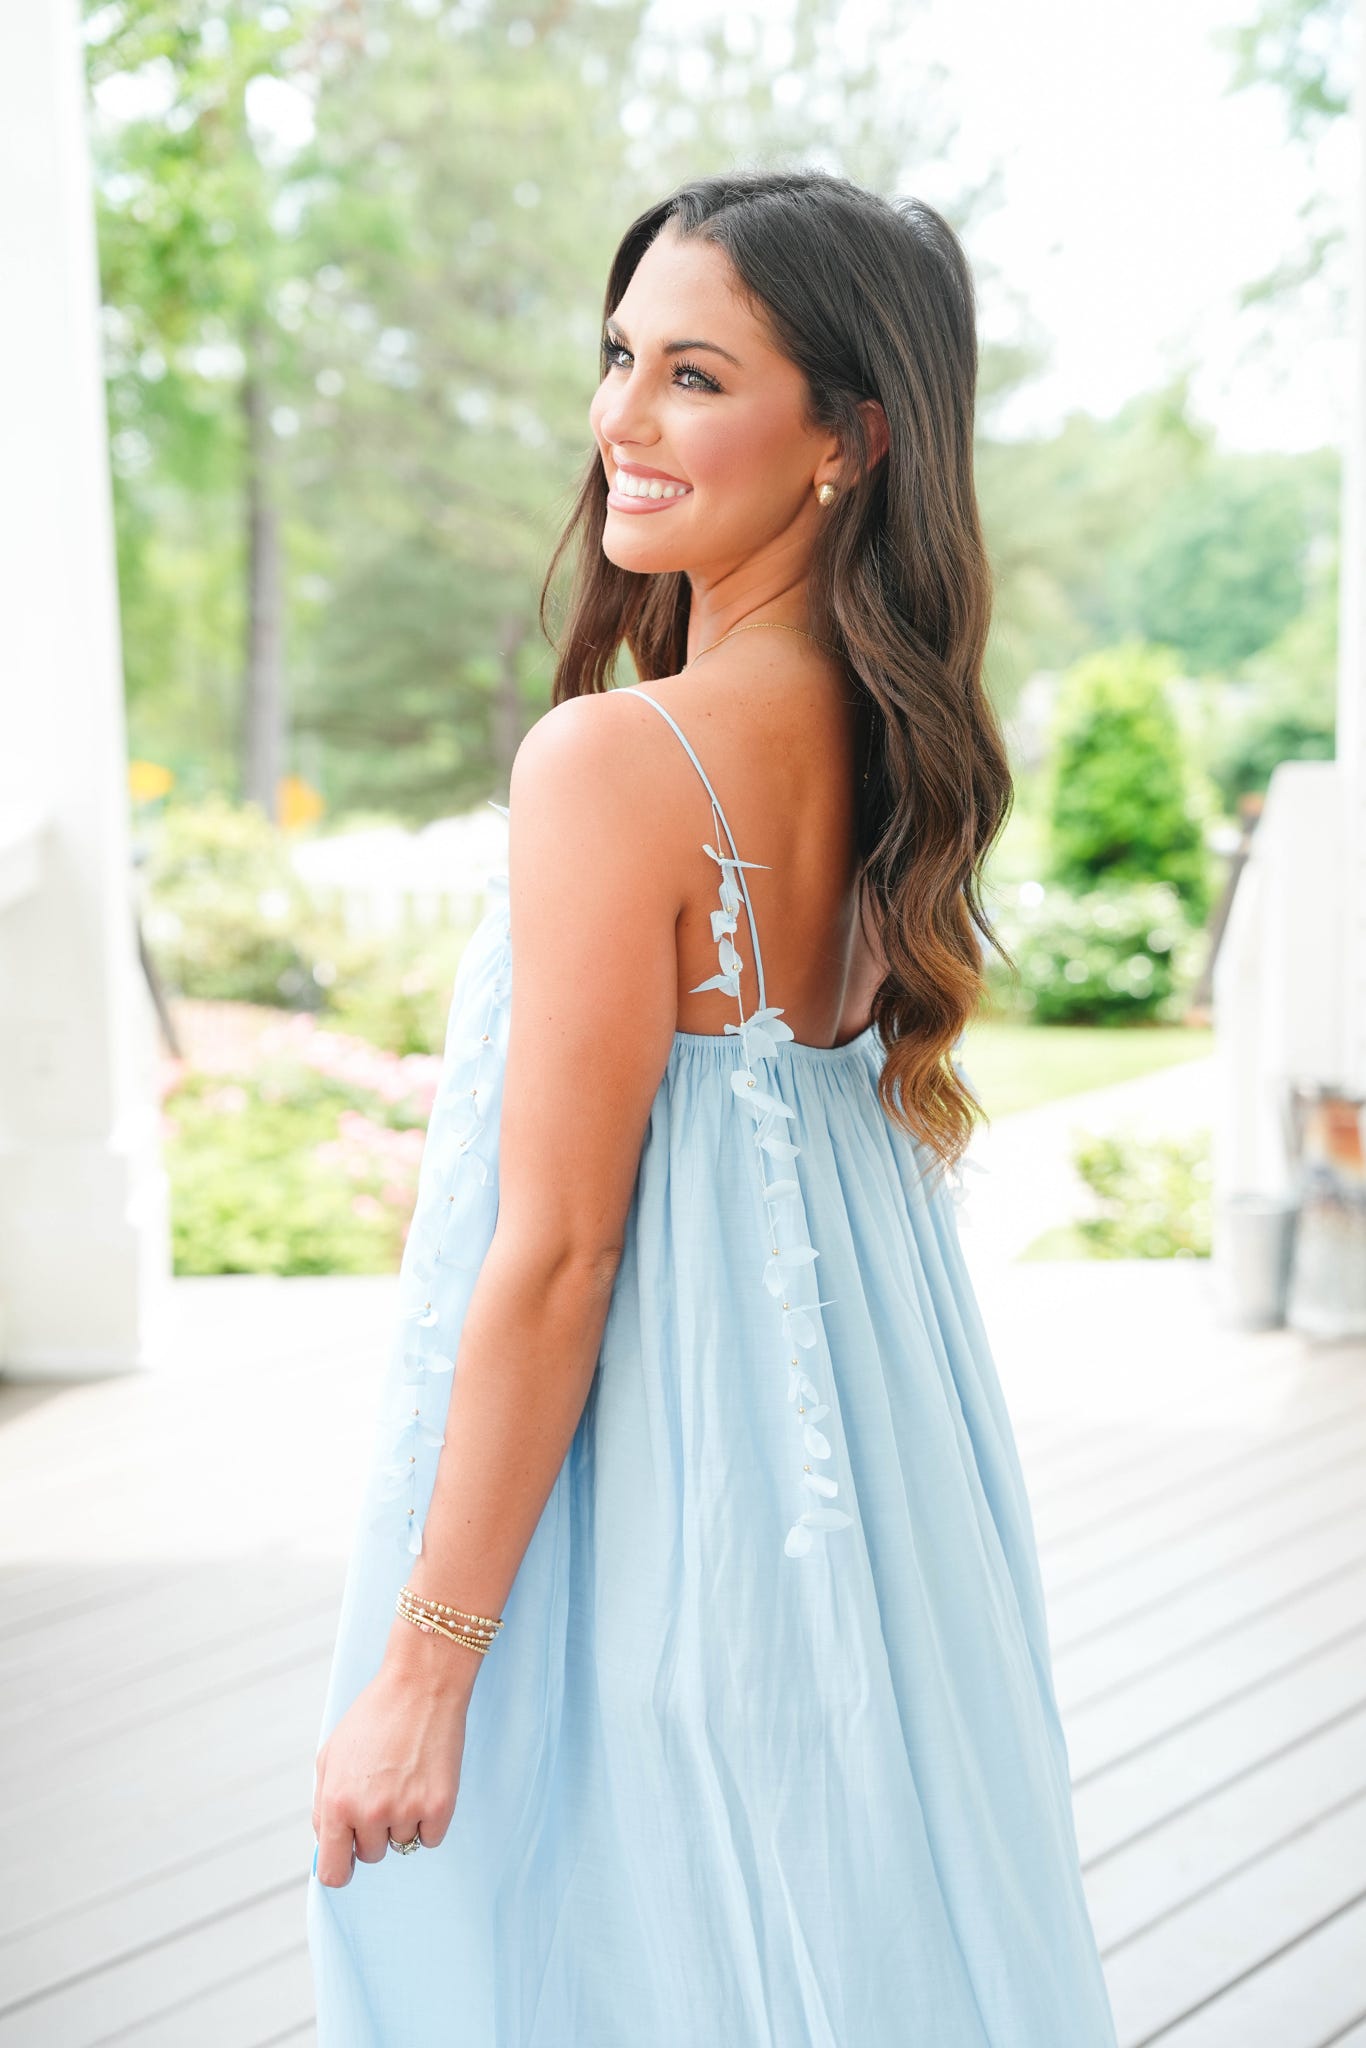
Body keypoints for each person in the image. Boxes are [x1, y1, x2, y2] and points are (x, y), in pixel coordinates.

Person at [307, 166, 1119, 2047]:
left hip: (651, 1501)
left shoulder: (614, 758)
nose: (622, 419)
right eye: (619, 358)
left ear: (848, 440)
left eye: (694, 375)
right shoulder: (899, 747)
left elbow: (563, 1250)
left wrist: (428, 1668)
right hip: (880, 1507)